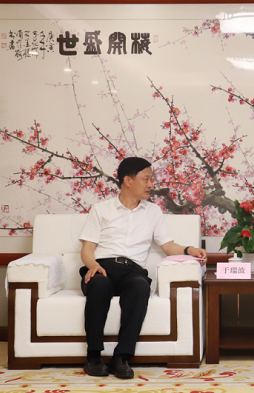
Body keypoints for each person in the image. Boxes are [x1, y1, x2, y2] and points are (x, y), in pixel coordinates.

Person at [78, 157, 207, 379]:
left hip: (132, 270)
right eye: (146, 179)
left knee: (140, 287)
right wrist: (93, 266)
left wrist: (190, 250)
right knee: (99, 285)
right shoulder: (100, 210)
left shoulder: (153, 211)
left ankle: (121, 357)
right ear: (128, 180)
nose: (150, 185)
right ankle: (93, 357)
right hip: (103, 267)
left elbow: (167, 245)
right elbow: (87, 249)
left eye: (151, 179)